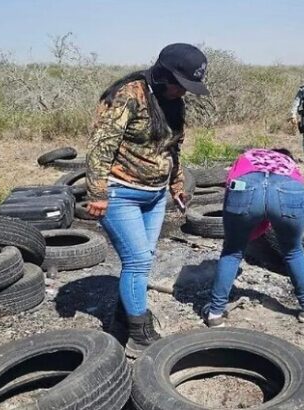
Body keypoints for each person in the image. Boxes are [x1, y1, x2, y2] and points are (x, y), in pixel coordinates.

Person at [85, 43, 209, 357]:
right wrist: (97, 192)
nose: (184, 92)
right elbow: (101, 146)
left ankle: (122, 321)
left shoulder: (174, 102)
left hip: (154, 196)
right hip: (120, 192)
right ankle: (139, 336)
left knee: (143, 259)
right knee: (138, 261)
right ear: (165, 74)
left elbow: (173, 149)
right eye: (181, 84)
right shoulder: (130, 95)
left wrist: (177, 184)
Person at [203, 148, 304, 327]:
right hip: (289, 188)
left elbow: (230, 184)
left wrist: (243, 234)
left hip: (245, 186)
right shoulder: (289, 163)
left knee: (232, 252)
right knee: (293, 250)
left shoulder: (247, 156)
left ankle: (215, 313)